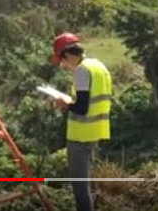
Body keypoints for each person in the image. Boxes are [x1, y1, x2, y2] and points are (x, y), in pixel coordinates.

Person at [50, 33, 113, 211]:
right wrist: (71, 101)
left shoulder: (81, 70)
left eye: (62, 60)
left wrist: (64, 103)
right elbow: (91, 100)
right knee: (87, 183)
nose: (63, 65)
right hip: (95, 132)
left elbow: (82, 108)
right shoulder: (97, 65)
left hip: (80, 136)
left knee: (80, 188)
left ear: (68, 55)